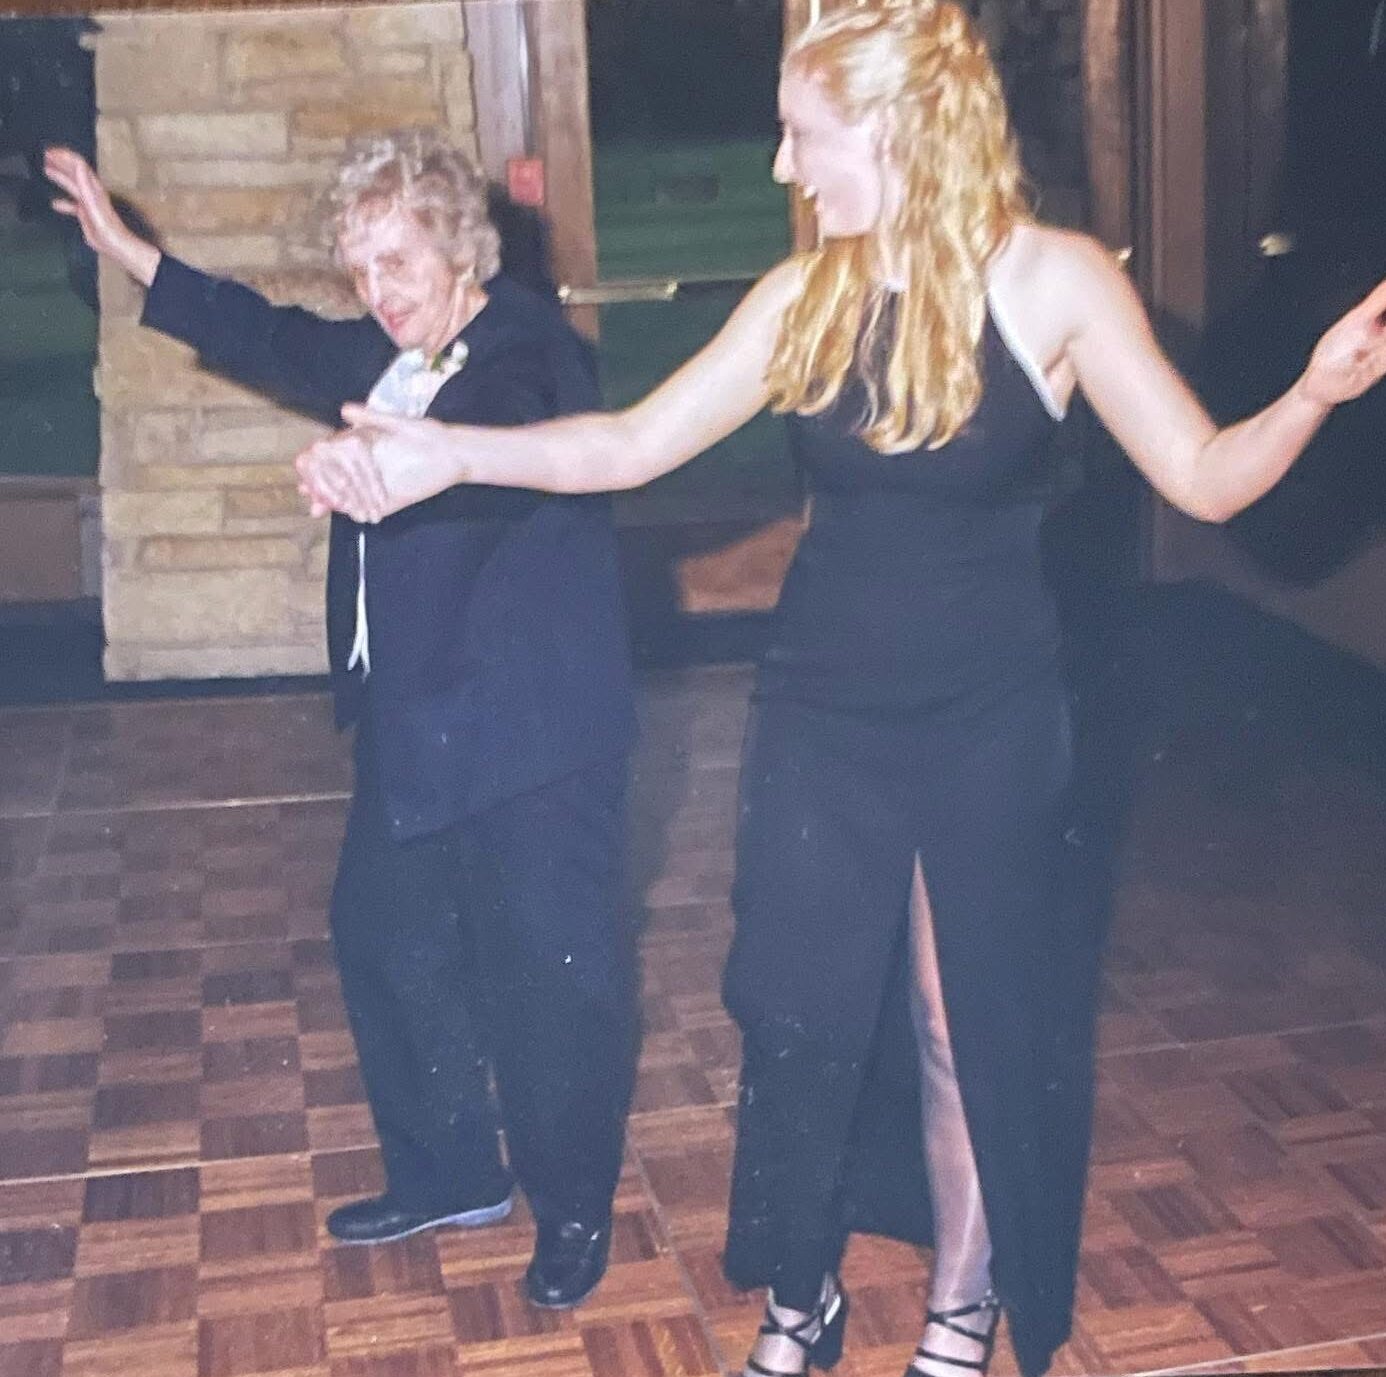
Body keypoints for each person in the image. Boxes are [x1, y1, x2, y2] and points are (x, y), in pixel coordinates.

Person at [295, 3, 1386, 1374]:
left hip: (990, 712)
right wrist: (446, 456)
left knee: (956, 1020)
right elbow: (629, 443)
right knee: (795, 1006)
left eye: (800, 133)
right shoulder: (804, 296)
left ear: (889, 128)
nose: (780, 168)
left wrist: (1315, 392)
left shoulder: (1051, 285)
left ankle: (960, 1305)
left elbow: (1204, 474)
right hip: (821, 708)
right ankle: (800, 1295)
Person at [46, 133, 639, 1309]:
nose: (378, 290)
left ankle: (572, 1212)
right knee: (381, 931)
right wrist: (133, 255)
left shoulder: (528, 355)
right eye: (360, 267)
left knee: (544, 986)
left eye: (398, 261)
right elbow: (271, 333)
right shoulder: (387, 348)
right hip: (420, 716)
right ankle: (450, 1171)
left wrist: (418, 468)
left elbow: (507, 429)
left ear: (461, 247)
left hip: (531, 736)